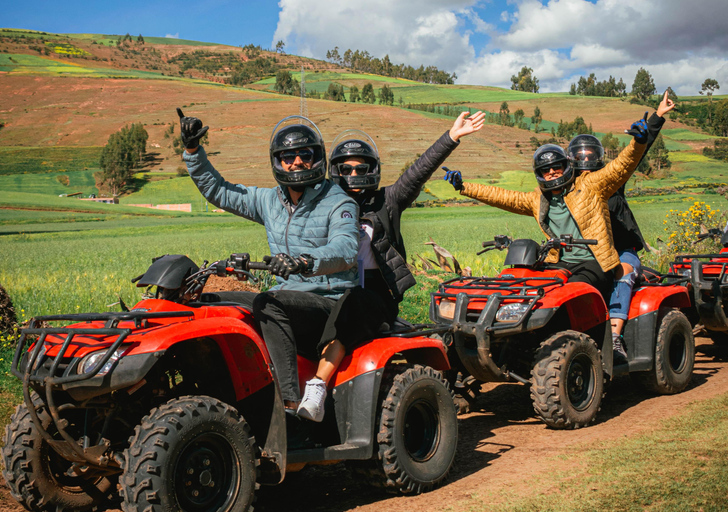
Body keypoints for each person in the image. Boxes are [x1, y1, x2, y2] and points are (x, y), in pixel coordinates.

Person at [296, 111, 486, 422]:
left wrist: (451, 137)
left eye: (362, 167)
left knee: (353, 304)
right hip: (334, 286)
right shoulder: (326, 204)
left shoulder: (389, 200)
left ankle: (317, 387)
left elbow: (419, 171)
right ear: (336, 171)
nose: (354, 174)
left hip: (374, 292)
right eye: (346, 169)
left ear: (373, 169)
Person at [178, 108, 359, 413]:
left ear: (318, 157)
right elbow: (219, 191)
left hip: (329, 304)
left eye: (305, 154)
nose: (297, 162)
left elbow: (346, 247)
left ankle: (289, 403)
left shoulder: (339, 201)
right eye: (288, 156)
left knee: (267, 302)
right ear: (277, 162)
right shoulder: (268, 201)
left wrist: (305, 261)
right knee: (208, 302)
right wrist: (193, 151)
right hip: (286, 299)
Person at [443, 114, 649, 308]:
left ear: (567, 166)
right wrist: (464, 187)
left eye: (556, 166)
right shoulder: (538, 200)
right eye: (545, 169)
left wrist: (638, 143)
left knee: (571, 295)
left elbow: (621, 166)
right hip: (558, 262)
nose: (551, 172)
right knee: (536, 293)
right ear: (539, 173)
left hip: (594, 262)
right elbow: (503, 197)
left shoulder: (590, 186)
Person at [567, 91, 676, 361]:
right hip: (585, 255)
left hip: (621, 249)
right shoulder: (566, 190)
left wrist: (658, 116)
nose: (585, 160)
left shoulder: (613, 179)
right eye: (581, 155)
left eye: (590, 154)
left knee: (622, 272)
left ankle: (615, 339)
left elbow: (637, 152)